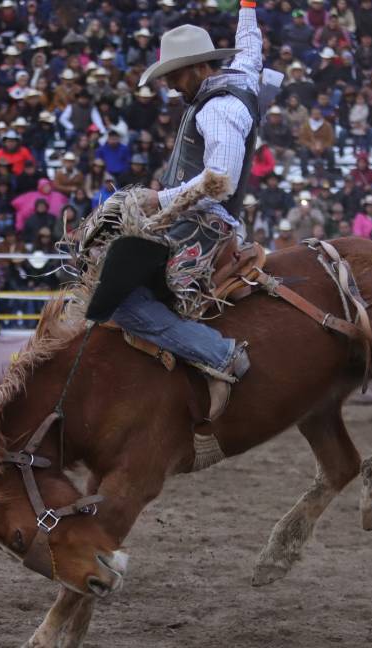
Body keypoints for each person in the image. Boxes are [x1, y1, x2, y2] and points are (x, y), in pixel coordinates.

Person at [101, 1, 262, 420]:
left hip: (201, 229)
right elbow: (250, 48)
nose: (172, 85)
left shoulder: (218, 110)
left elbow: (219, 180)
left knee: (123, 303)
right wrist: (247, 7)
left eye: (174, 74)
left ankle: (219, 354)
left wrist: (160, 200)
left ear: (198, 68)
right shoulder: (239, 79)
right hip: (196, 220)